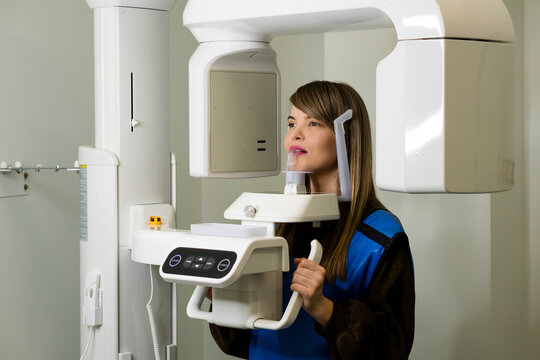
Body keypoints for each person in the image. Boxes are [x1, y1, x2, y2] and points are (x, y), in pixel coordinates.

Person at [209, 81, 415, 359]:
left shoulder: (380, 236)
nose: (296, 135)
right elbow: (242, 343)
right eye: (292, 123)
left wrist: (324, 309)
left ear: (347, 135)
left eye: (314, 123)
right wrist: (222, 295)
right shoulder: (276, 223)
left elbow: (392, 351)